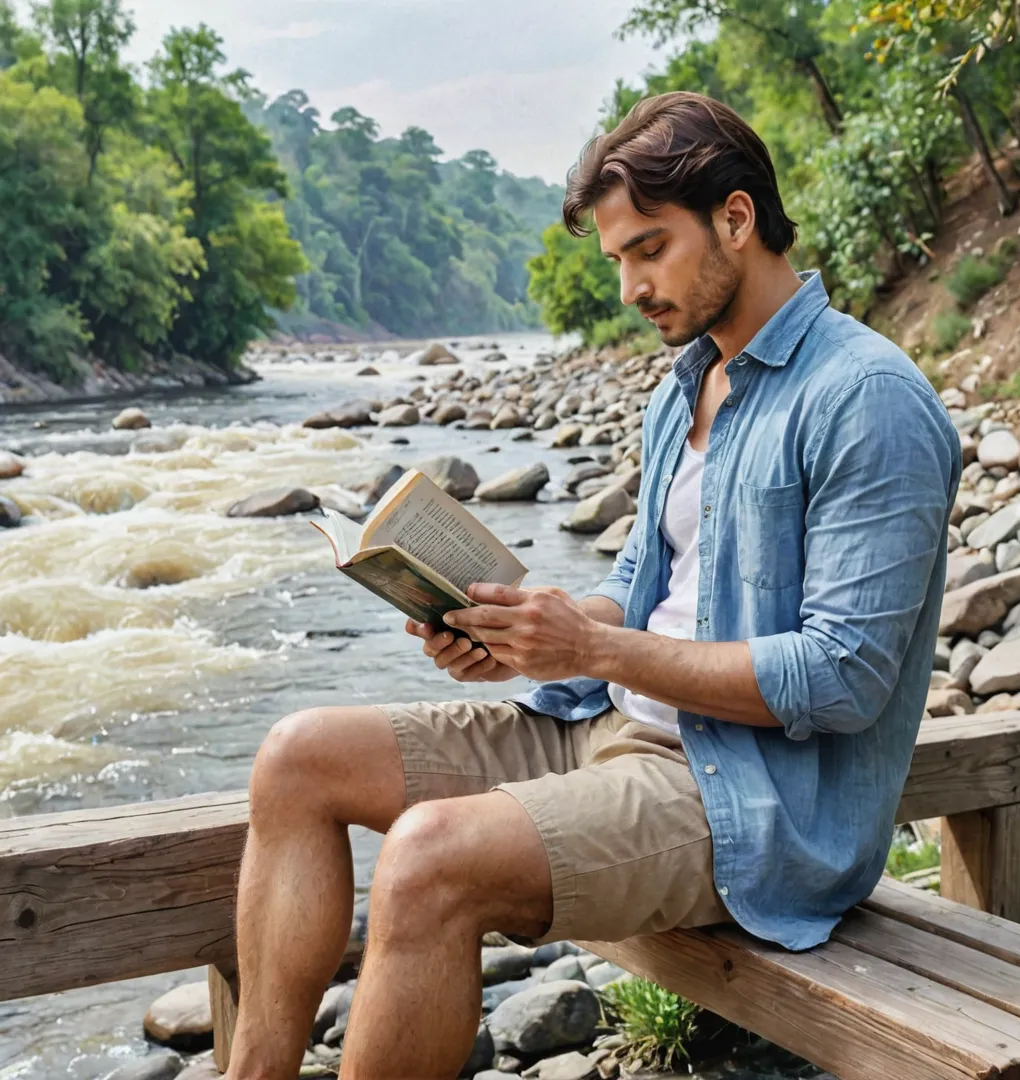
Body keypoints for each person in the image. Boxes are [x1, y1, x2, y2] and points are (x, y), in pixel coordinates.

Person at [224, 91, 962, 1080]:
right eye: (617, 259)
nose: (628, 288)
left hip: (748, 799)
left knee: (430, 859)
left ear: (736, 219)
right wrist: (528, 631)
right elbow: (641, 582)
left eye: (649, 250)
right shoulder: (685, 386)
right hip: (601, 728)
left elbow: (841, 679)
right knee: (297, 757)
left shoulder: (867, 399)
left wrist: (598, 649)